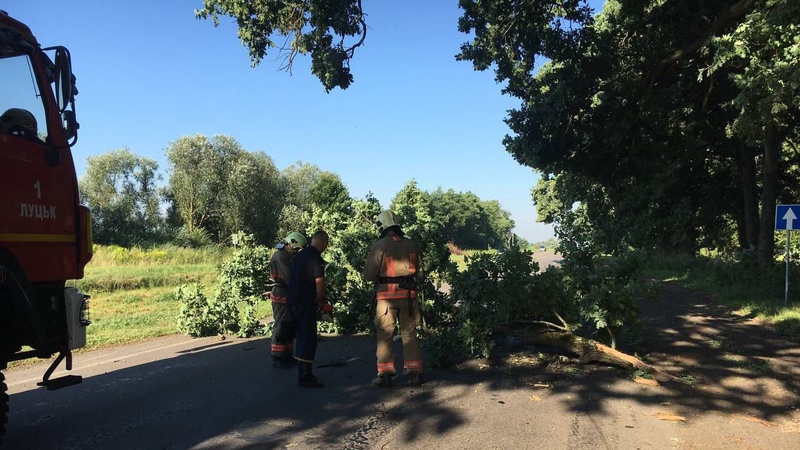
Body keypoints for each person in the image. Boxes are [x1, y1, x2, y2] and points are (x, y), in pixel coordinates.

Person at [363, 210, 423, 387]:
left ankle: (385, 374)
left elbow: (368, 274)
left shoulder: (379, 246)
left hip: (386, 299)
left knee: (385, 334)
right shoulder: (411, 244)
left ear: (382, 226)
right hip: (409, 297)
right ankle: (416, 373)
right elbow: (418, 269)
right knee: (410, 333)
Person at [287, 229, 330, 388]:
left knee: (299, 335)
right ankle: (305, 376)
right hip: (306, 303)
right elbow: (319, 283)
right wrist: (321, 303)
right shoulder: (316, 259)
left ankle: (301, 370)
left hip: (292, 301)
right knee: (308, 338)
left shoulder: (299, 255)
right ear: (323, 242)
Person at [268, 232, 307, 369]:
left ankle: (287, 355)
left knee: (289, 326)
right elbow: (289, 277)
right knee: (282, 325)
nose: (296, 253)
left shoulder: (286, 256)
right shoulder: (280, 256)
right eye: (296, 249)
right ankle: (278, 357)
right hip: (281, 294)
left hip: (287, 294)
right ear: (291, 244)